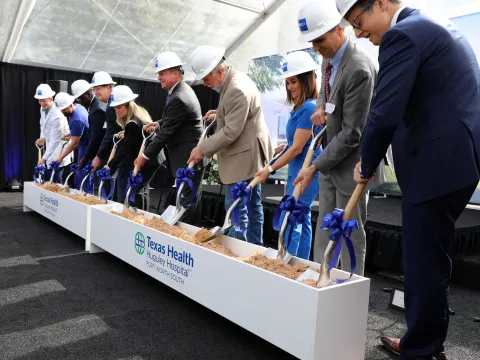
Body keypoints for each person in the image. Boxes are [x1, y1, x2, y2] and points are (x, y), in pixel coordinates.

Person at [338, 0, 480, 359]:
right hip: (456, 161)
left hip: (435, 165)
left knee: (423, 262)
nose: (358, 32)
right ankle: (426, 339)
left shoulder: (401, 35)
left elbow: (385, 112)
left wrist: (366, 164)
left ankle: (422, 349)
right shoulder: (430, 24)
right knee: (431, 257)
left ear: (383, 3)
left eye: (359, 20)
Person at [293, 1, 385, 275]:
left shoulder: (359, 68)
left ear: (339, 29)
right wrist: (321, 105)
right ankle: (323, 283)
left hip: (353, 167)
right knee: (325, 229)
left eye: (319, 39)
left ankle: (349, 292)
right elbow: (325, 92)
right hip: (331, 165)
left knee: (349, 236)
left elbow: (352, 134)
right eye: (311, 41)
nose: (315, 47)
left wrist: (314, 167)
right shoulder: (328, 59)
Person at [187, 45, 274, 245]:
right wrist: (220, 114)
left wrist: (202, 148)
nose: (205, 83)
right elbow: (241, 113)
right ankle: (254, 250)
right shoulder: (234, 80)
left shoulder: (236, 89)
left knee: (237, 207)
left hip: (245, 157)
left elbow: (231, 131)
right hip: (250, 153)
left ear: (219, 71)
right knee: (251, 206)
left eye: (206, 78)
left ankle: (239, 253)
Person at [254, 51, 321, 260]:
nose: (290, 87)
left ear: (307, 80)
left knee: (294, 215)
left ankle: (289, 261)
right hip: (297, 170)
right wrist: (281, 151)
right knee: (302, 216)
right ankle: (299, 263)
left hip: (307, 171)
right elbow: (293, 145)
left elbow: (298, 149)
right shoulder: (299, 108)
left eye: (294, 81)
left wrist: (269, 169)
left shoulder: (309, 107)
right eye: (288, 82)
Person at [135, 52, 205, 219]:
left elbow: (164, 134)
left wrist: (143, 156)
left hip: (189, 158)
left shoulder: (179, 97)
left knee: (187, 204)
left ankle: (186, 242)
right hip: (185, 157)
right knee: (185, 200)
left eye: (162, 73)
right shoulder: (179, 91)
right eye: (159, 74)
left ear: (176, 73)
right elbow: (175, 120)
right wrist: (159, 123)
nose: (159, 77)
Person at [104, 85, 158, 205]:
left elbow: (125, 149)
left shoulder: (132, 123)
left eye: (119, 107)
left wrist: (110, 165)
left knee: (127, 190)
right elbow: (137, 134)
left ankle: (128, 215)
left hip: (142, 160)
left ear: (129, 105)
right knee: (134, 190)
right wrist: (126, 133)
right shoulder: (139, 115)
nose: (117, 111)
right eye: (115, 108)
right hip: (150, 159)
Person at [34, 84, 72, 183]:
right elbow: (43, 124)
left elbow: (55, 140)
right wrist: (42, 138)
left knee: (56, 180)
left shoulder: (57, 115)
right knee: (49, 179)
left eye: (44, 100)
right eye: (39, 100)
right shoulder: (43, 108)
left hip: (59, 147)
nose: (41, 103)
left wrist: (43, 159)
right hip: (50, 146)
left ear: (51, 99)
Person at [90, 71, 122, 171]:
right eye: (94, 89)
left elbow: (110, 133)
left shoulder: (112, 106)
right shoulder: (113, 102)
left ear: (109, 87)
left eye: (98, 89)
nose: (96, 93)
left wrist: (98, 157)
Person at [71, 79, 106, 169]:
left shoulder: (97, 110)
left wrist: (85, 158)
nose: (79, 102)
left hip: (100, 155)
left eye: (80, 98)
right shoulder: (94, 106)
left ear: (89, 94)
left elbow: (96, 138)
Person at [54, 92, 90, 165]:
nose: (62, 112)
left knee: (81, 174)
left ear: (70, 105)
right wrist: (71, 134)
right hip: (87, 144)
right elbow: (82, 128)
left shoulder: (76, 120)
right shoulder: (79, 106)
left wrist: (61, 157)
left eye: (64, 109)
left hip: (85, 148)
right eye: (61, 110)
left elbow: (74, 144)